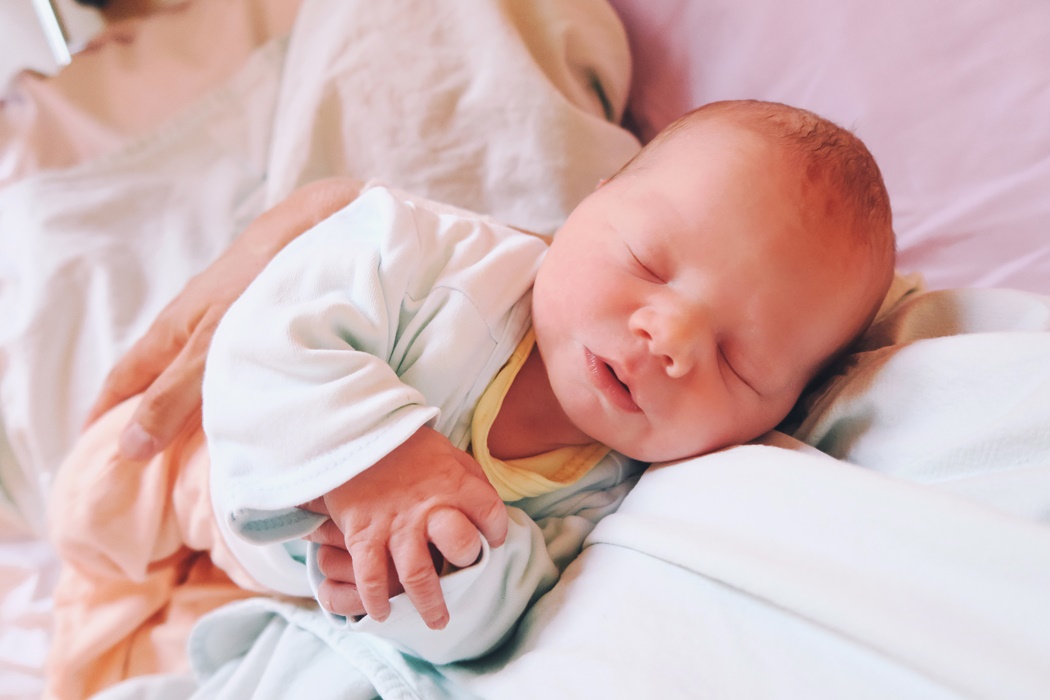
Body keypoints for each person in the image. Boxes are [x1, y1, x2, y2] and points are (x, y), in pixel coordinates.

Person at [49, 99, 894, 693]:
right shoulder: (426, 255)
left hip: (291, 580)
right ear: (588, 207)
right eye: (646, 261)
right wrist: (374, 460)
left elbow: (514, 605)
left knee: (165, 654)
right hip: (201, 467)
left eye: (736, 361)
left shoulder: (617, 498)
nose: (668, 338)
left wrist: (444, 576)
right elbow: (273, 332)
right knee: (96, 504)